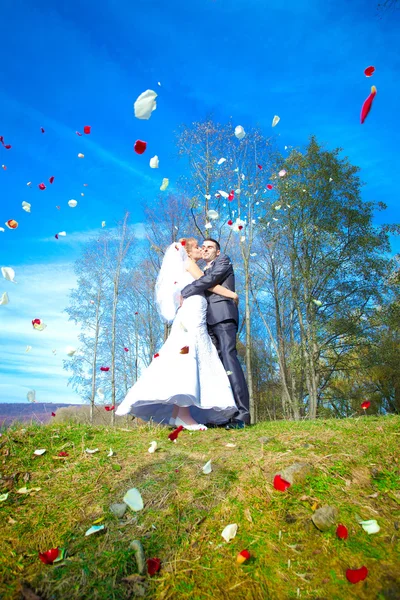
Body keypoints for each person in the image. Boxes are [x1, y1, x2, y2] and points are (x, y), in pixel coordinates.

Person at [115, 238, 239, 430]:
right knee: (188, 356)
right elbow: (209, 284)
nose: (201, 249)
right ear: (188, 252)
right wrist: (232, 294)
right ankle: (183, 415)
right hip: (192, 313)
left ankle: (177, 415)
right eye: (198, 247)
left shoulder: (185, 265)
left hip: (193, 312)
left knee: (188, 355)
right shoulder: (189, 264)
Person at [181, 238, 250, 428]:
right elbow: (205, 280)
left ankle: (242, 414)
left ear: (218, 252)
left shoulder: (224, 261)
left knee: (229, 359)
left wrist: (185, 291)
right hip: (206, 321)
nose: (205, 249)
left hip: (223, 316)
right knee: (217, 367)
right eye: (203, 247)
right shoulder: (201, 269)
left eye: (210, 247)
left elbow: (210, 281)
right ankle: (223, 414)